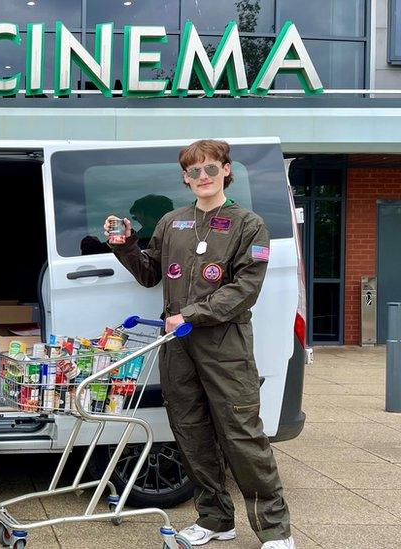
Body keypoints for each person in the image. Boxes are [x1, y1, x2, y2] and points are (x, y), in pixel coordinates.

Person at [105, 140, 294, 549]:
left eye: (211, 169)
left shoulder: (249, 224)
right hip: (178, 347)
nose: (203, 177)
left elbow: (245, 288)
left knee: (242, 434)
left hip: (224, 345)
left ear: (227, 171)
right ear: (185, 178)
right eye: (194, 172)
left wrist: (192, 314)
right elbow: (149, 274)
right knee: (190, 434)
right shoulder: (173, 222)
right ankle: (214, 519)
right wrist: (124, 245)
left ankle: (275, 531)